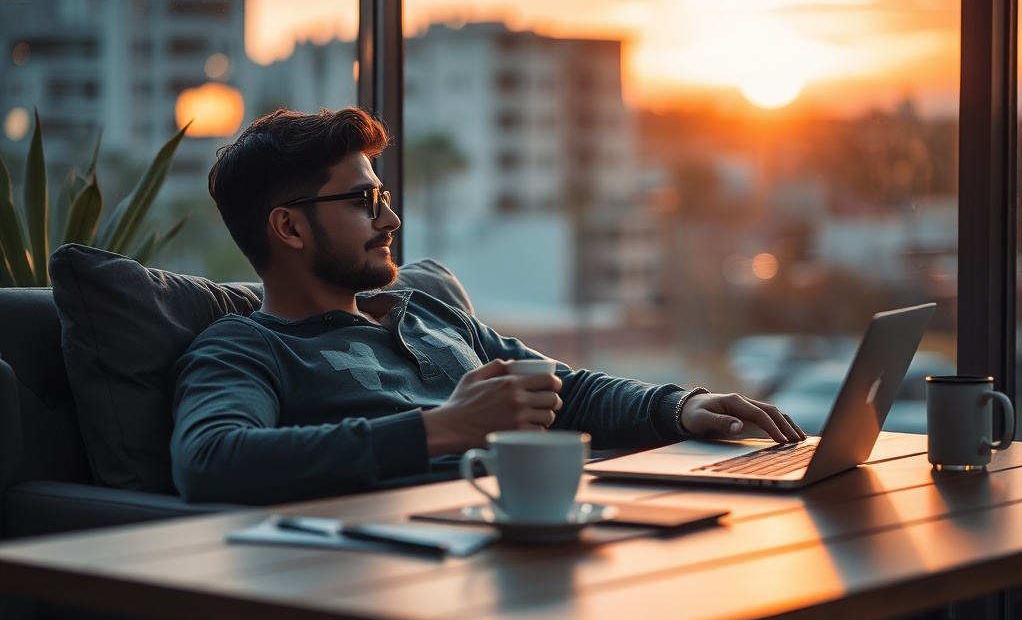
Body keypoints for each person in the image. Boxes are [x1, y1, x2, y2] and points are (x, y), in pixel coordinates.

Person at [169, 107, 805, 505]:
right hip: (418, 558)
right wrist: (444, 428)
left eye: (381, 194)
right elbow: (211, 460)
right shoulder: (244, 347)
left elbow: (564, 391)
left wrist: (680, 406)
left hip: (540, 518)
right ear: (289, 228)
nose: (389, 217)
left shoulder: (424, 313)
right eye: (362, 201)